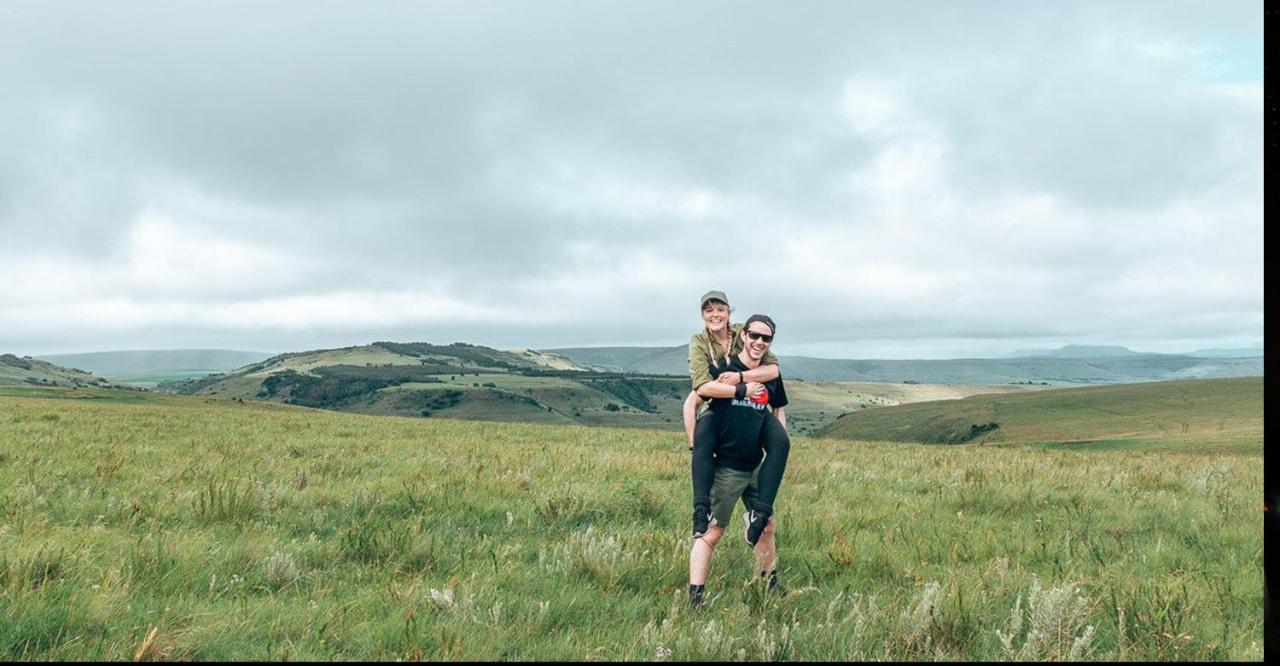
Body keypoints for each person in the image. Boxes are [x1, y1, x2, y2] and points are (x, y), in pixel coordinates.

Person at [687, 314, 790, 607]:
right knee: (712, 531)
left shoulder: (771, 374)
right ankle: (696, 597)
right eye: (754, 336)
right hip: (727, 467)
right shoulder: (726, 370)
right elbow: (695, 399)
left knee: (767, 524)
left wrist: (777, 439)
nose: (759, 342)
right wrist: (695, 445)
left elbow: (777, 409)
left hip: (756, 463)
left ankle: (769, 584)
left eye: (765, 338)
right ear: (743, 335)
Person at [684, 292, 785, 541]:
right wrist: (739, 389)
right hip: (716, 394)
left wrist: (741, 378)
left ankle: (760, 514)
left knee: (781, 442)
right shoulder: (699, 341)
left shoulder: (745, 332)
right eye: (709, 310)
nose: (715, 315)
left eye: (720, 309)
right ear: (702, 315)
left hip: (744, 399)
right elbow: (701, 387)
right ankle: (700, 510)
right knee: (698, 418)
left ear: (730, 313)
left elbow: (772, 369)